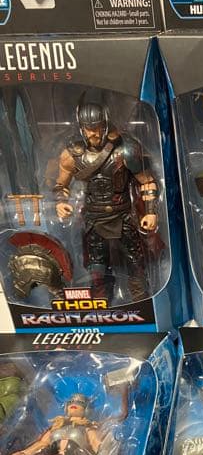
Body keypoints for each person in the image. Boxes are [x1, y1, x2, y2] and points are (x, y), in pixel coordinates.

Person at [54, 99, 159, 303]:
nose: (92, 133)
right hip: (94, 219)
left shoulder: (126, 149)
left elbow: (147, 182)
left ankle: (142, 303)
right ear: (81, 127)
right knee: (97, 269)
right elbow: (61, 185)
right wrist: (60, 202)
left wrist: (151, 212)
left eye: (97, 127)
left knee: (136, 264)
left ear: (105, 124)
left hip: (123, 215)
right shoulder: (72, 154)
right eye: (88, 128)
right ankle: (102, 306)